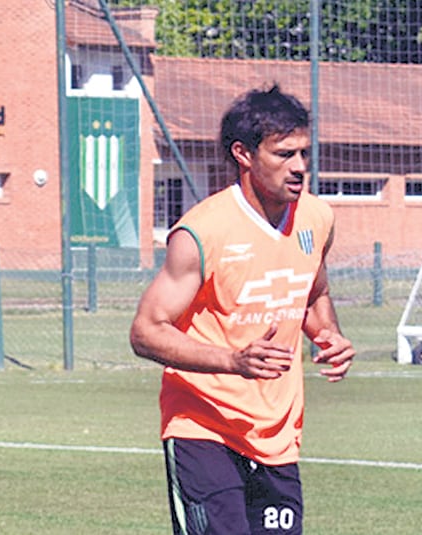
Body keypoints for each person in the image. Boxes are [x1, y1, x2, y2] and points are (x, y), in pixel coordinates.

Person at [129, 84, 356, 535]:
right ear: (244, 154)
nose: (299, 167)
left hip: (278, 435)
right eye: (284, 154)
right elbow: (146, 331)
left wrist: (328, 336)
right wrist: (231, 361)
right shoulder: (201, 232)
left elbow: (312, 294)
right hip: (202, 427)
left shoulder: (316, 218)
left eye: (304, 154)